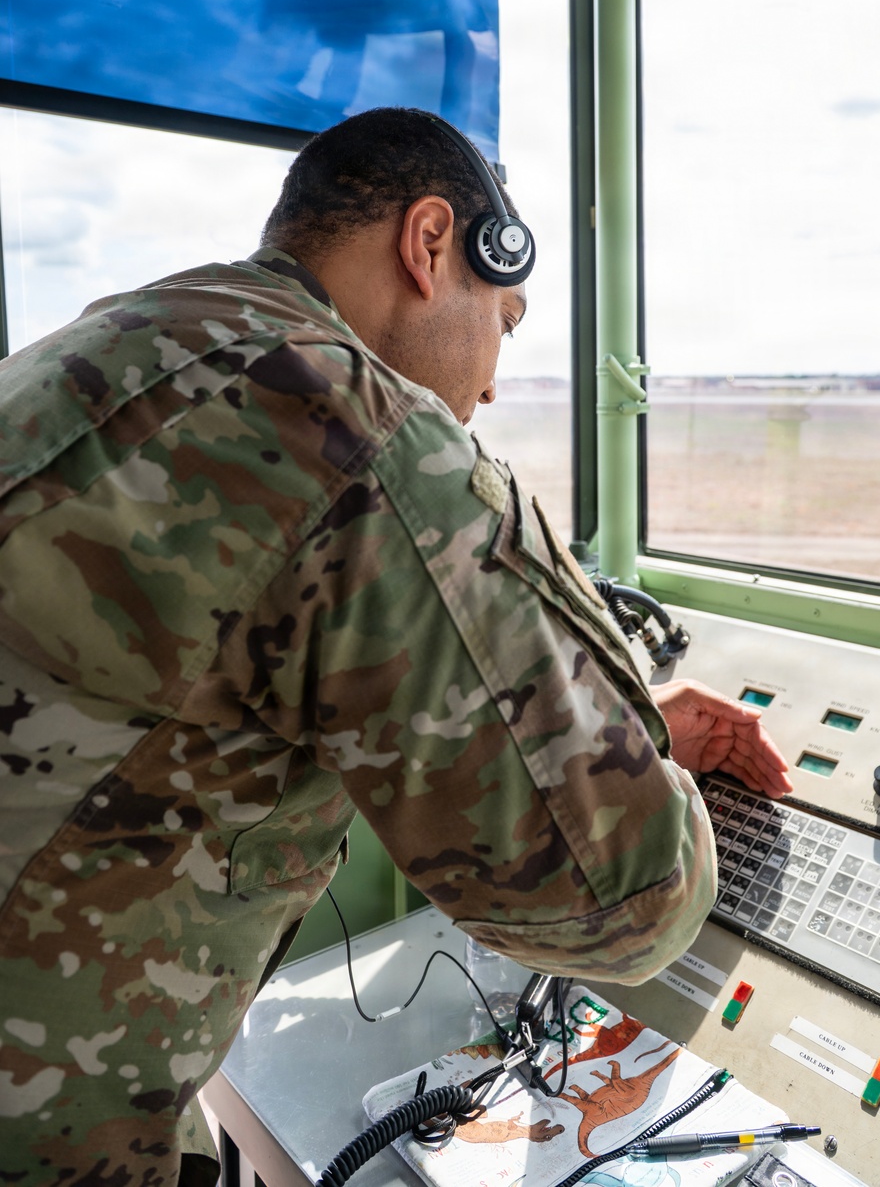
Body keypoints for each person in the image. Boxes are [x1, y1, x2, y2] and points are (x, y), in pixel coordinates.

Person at [0, 107, 791, 1185]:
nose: (498, 381)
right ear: (430, 246)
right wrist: (629, 739)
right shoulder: (352, 430)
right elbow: (626, 901)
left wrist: (629, 720)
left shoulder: (101, 343)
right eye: (504, 320)